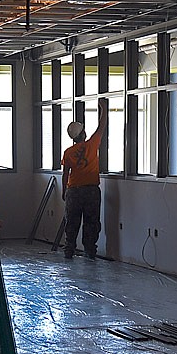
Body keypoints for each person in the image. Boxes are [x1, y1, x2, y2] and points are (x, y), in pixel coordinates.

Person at [61, 99, 108, 259]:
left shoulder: (68, 152)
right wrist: (104, 109)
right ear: (82, 134)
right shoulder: (91, 145)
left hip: (73, 191)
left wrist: (64, 191)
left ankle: (69, 249)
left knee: (72, 222)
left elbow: (65, 173)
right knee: (91, 221)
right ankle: (90, 250)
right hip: (91, 191)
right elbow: (102, 126)